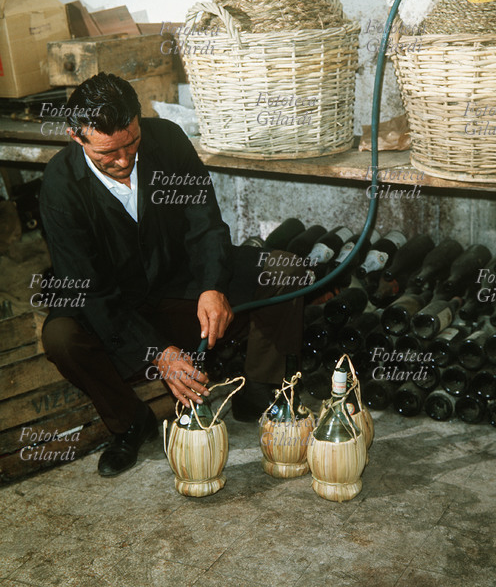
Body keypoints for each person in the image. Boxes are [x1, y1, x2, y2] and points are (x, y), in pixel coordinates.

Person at [39, 72, 305, 477]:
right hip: (115, 306)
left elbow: (205, 223)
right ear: (77, 137)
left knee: (284, 269)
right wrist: (159, 353)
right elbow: (90, 289)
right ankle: (130, 423)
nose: (124, 161)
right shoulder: (60, 185)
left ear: (138, 121)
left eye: (131, 143)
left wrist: (212, 285)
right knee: (61, 337)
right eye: (107, 153)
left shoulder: (167, 139)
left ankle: (259, 389)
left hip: (178, 282)